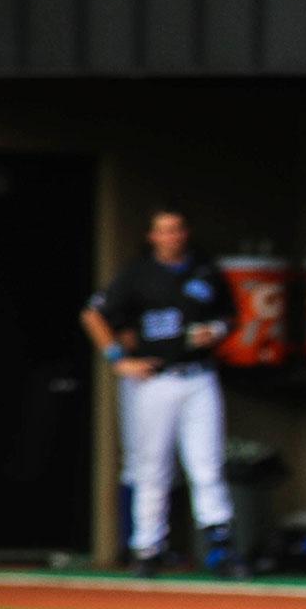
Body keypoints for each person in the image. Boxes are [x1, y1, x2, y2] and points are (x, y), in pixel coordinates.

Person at [79, 209, 245, 579]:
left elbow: (230, 316)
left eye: (177, 230)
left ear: (185, 233)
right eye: (163, 231)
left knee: (207, 465)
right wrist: (118, 359)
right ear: (152, 236)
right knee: (152, 467)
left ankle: (221, 547)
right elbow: (94, 314)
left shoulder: (204, 270)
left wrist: (215, 331)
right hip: (155, 378)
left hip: (198, 375)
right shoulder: (137, 274)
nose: (171, 237)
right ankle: (147, 548)